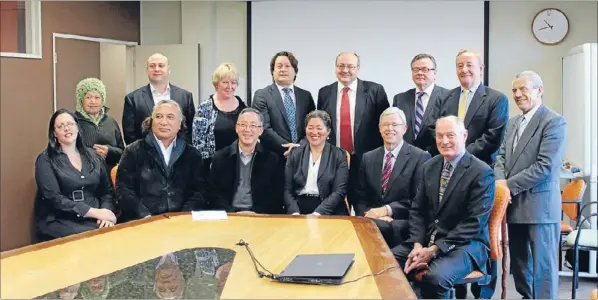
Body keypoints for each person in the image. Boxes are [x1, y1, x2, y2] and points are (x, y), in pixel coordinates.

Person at [392, 116, 494, 299]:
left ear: (464, 135)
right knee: (386, 264)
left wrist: (434, 250)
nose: (444, 141)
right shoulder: (429, 166)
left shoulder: (481, 172)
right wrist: (417, 243)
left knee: (435, 278)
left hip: (465, 245)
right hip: (426, 240)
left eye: (450, 135)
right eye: (440, 136)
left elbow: (474, 223)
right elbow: (417, 210)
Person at [494, 71, 566, 299]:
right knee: (520, 265)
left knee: (543, 270)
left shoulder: (554, 121)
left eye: (523, 89)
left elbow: (545, 166)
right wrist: (500, 182)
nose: (517, 94)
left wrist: (508, 186)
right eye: (514, 90)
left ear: (539, 90)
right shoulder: (512, 123)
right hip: (513, 206)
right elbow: (501, 158)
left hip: (540, 209)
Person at [317, 52, 389, 210]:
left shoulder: (375, 90)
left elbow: (385, 124)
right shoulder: (324, 92)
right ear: (335, 68)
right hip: (335, 159)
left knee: (364, 205)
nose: (345, 70)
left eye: (350, 66)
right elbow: (321, 125)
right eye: (341, 66)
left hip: (366, 159)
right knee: (337, 203)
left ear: (358, 68)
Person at [116, 100, 210, 221]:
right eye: (158, 116)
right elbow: (124, 190)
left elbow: (200, 191)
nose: (163, 122)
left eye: (170, 117)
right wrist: (144, 215)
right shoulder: (133, 151)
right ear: (151, 122)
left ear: (180, 124)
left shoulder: (192, 154)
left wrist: (183, 216)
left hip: (183, 221)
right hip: (142, 220)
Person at [35, 109, 117, 240]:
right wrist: (94, 212)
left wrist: (106, 213)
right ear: (54, 133)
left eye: (70, 124)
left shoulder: (94, 156)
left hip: (95, 218)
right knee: (95, 238)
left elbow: (106, 192)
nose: (66, 128)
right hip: (61, 220)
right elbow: (54, 198)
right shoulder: (45, 159)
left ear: (77, 127)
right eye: (60, 126)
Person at [354, 107, 430, 247]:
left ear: (405, 128)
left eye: (394, 125)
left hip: (402, 222)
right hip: (372, 220)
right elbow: (360, 196)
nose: (390, 128)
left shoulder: (420, 157)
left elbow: (418, 200)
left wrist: (387, 210)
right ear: (379, 128)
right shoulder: (368, 158)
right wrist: (369, 214)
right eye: (385, 125)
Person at [431, 49, 508, 167]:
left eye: (469, 65)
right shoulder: (444, 98)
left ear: (481, 69)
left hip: (479, 167)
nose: (464, 70)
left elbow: (493, 137)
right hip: (447, 164)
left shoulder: (497, 99)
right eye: (460, 66)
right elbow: (434, 128)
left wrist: (461, 155)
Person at [209, 108, 285, 214]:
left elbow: (276, 197)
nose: (247, 130)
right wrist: (231, 213)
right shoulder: (220, 157)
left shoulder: (272, 159)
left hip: (260, 217)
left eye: (253, 125)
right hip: (228, 216)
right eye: (243, 125)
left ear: (260, 130)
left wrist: (256, 213)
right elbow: (213, 194)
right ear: (236, 128)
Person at [284, 110, 349, 215]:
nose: (314, 132)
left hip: (328, 208)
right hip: (299, 206)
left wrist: (317, 214)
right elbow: (287, 189)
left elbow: (339, 192)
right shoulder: (295, 154)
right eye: (310, 128)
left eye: (319, 128)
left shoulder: (339, 155)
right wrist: (294, 213)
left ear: (328, 131)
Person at [252, 51, 315, 156]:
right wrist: (288, 147)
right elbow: (263, 128)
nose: (283, 69)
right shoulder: (262, 95)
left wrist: (299, 147)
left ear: (295, 71)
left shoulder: (305, 96)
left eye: (287, 66)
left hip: (303, 155)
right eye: (279, 66)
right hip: (272, 157)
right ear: (273, 71)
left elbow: (312, 126)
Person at [123, 53, 195, 144]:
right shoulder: (133, 99)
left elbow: (191, 130)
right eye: (152, 66)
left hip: (179, 154)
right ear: (147, 70)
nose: (156, 69)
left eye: (161, 66)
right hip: (144, 155)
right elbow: (129, 134)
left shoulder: (185, 96)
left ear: (169, 69)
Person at [192, 62, 247, 166]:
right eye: (225, 82)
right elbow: (198, 144)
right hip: (213, 167)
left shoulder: (243, 107)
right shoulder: (205, 108)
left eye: (233, 82)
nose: (230, 86)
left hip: (239, 164)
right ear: (216, 83)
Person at [393, 53, 448, 153]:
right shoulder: (400, 99)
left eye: (425, 69)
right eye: (415, 69)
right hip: (406, 157)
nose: (419, 73)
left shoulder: (448, 97)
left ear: (435, 73)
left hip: (436, 157)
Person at [74, 78, 125, 175]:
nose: (93, 101)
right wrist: (92, 154)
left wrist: (110, 151)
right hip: (83, 178)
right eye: (88, 97)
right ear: (81, 99)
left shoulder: (111, 122)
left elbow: (123, 153)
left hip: (110, 178)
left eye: (97, 97)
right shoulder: (73, 122)